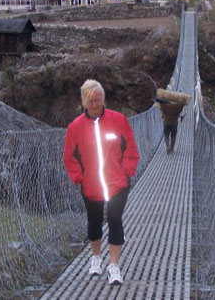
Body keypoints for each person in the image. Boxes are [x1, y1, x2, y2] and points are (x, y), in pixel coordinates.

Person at [63, 79, 139, 285]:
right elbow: (69, 157)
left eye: (98, 100)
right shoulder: (75, 127)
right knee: (94, 221)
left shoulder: (119, 120)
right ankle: (96, 257)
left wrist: (126, 172)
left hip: (118, 183)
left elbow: (131, 149)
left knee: (115, 218)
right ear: (84, 102)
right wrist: (79, 177)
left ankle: (113, 266)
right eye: (91, 101)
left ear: (103, 98)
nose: (95, 105)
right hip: (91, 185)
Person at [155, 89, 190, 154]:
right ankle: (172, 148)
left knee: (166, 134)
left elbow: (159, 105)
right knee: (173, 135)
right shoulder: (177, 106)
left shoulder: (164, 106)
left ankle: (167, 145)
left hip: (166, 122)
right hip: (174, 122)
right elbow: (183, 103)